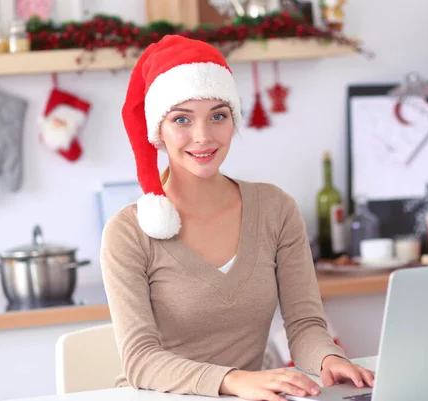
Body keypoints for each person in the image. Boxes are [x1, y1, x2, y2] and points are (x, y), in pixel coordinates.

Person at [100, 34, 374, 401]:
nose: (203, 136)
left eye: (218, 116)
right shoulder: (128, 232)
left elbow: (305, 324)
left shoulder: (276, 209)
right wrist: (234, 380)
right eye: (182, 119)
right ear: (158, 132)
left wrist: (328, 358)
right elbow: (141, 361)